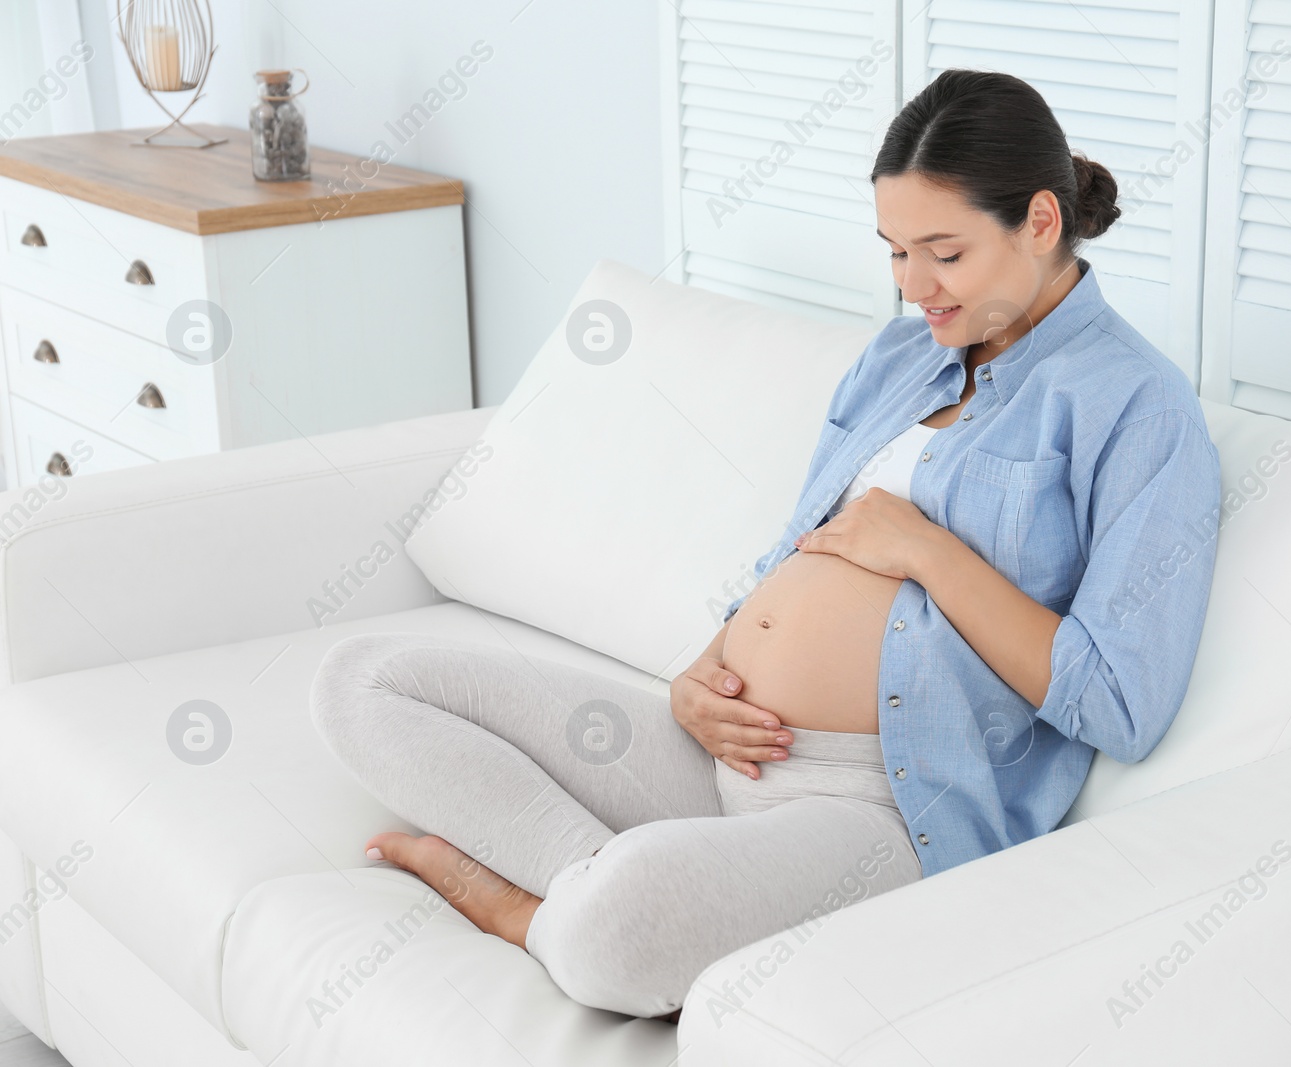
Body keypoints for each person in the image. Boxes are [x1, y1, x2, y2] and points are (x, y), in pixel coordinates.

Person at [309, 68, 1221, 1022]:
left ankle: (530, 904)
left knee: (619, 929)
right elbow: (799, 549)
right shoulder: (901, 357)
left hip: (880, 810)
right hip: (726, 751)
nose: (913, 288)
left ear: (1040, 221)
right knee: (363, 681)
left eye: (942, 252)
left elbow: (1120, 701)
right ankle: (613, 881)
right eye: (896, 251)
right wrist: (703, 672)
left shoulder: (1135, 406)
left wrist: (928, 551)